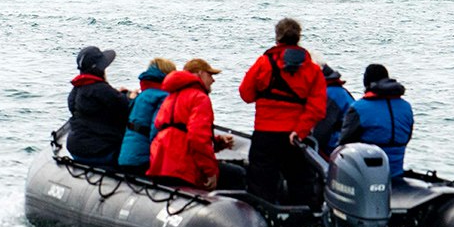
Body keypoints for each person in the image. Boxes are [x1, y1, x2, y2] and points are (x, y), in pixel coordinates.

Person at [237, 17, 327, 206]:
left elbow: (246, 94)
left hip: (265, 134)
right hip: (294, 137)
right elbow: (317, 108)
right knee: (301, 185)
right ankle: (302, 225)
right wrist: (300, 131)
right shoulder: (312, 70)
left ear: (277, 37)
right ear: (298, 38)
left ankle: (263, 223)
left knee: (261, 185)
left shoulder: (263, 63)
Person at [148, 58, 233, 190]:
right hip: (183, 167)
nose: (213, 80)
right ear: (200, 73)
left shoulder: (170, 97)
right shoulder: (199, 98)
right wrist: (210, 171)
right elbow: (197, 137)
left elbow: (164, 129)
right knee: (237, 175)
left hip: (160, 164)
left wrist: (216, 142)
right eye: (210, 74)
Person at [339, 63, 415, 179]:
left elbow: (344, 144)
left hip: (367, 176)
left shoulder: (358, 108)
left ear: (366, 83)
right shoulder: (406, 107)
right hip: (396, 172)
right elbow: (407, 136)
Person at [65, 46, 132, 168]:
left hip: (76, 150)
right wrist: (131, 96)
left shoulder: (76, 90)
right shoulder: (102, 90)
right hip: (100, 152)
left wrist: (118, 94)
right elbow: (127, 107)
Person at [116, 58, 177, 174]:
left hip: (125, 157)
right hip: (143, 160)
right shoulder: (163, 97)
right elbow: (156, 130)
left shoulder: (142, 95)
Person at [313, 64, 356, 156]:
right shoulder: (338, 91)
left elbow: (321, 131)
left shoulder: (330, 94)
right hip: (349, 143)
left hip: (337, 146)